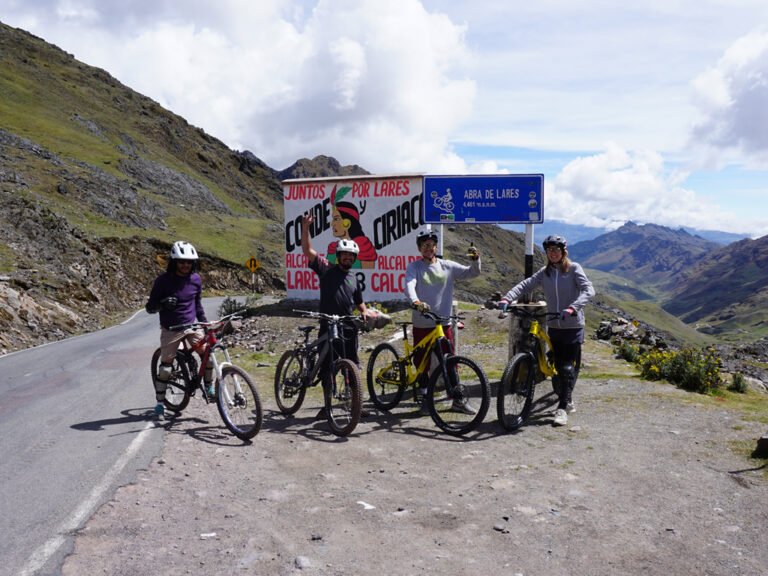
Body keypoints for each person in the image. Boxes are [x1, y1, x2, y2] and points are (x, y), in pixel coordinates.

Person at [497, 234, 595, 426]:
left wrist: (573, 308)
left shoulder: (574, 269)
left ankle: (563, 407)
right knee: (555, 363)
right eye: (550, 250)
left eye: (556, 250)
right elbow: (526, 284)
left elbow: (589, 290)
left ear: (564, 252)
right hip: (554, 324)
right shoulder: (545, 272)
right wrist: (507, 298)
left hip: (572, 325)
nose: (553, 253)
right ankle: (560, 390)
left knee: (565, 366)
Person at [404, 229, 481, 415]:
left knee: (449, 361)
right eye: (424, 246)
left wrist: (475, 259)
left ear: (436, 247)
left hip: (443, 324)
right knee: (422, 363)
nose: (428, 248)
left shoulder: (447, 266)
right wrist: (415, 301)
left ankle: (457, 400)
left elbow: (472, 273)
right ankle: (425, 399)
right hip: (422, 323)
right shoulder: (414, 267)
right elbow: (409, 285)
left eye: (431, 245)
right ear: (419, 248)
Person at [301, 213, 372, 411]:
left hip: (348, 328)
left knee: (352, 366)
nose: (348, 257)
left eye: (351, 255)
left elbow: (359, 302)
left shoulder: (354, 278)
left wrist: (364, 311)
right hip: (328, 326)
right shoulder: (326, 269)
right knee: (327, 368)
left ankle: (355, 406)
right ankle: (327, 408)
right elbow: (307, 250)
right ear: (338, 256)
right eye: (344, 254)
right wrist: (305, 228)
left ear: (354, 258)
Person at [145, 241, 209, 420]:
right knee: (166, 368)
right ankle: (160, 403)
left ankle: (210, 389)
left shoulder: (196, 279)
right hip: (171, 329)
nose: (185, 265)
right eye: (181, 261)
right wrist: (162, 304)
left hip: (191, 326)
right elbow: (150, 308)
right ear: (174, 262)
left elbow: (197, 305)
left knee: (207, 355)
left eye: (189, 262)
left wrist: (205, 323)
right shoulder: (162, 281)